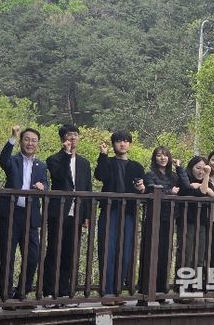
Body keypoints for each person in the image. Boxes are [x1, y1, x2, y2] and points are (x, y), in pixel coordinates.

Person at [0, 125, 48, 302]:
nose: (30, 143)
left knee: (33, 256)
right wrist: (12, 137)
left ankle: (22, 292)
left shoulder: (41, 165)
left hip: (30, 216)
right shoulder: (13, 161)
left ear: (38, 144)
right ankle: (6, 294)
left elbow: (46, 184)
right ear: (21, 142)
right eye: (26, 139)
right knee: (7, 256)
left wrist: (43, 186)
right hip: (11, 214)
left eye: (34, 141)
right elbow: (3, 160)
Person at [95, 130, 145, 304]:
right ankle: (107, 292)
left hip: (129, 212)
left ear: (130, 144)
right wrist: (103, 155)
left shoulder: (137, 166)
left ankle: (117, 291)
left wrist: (141, 189)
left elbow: (142, 189)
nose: (122, 144)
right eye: (118, 141)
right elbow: (100, 175)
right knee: (107, 249)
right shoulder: (108, 162)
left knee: (125, 251)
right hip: (110, 211)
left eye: (125, 141)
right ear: (113, 144)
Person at [43, 124, 92, 301]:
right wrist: (66, 154)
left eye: (75, 135)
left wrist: (87, 215)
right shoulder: (53, 159)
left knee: (71, 253)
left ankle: (64, 291)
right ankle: (49, 291)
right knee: (54, 250)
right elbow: (58, 176)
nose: (72, 138)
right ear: (62, 139)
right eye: (69, 135)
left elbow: (87, 189)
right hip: (58, 211)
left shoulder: (84, 163)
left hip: (77, 212)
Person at [139, 146, 189, 297]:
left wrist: (179, 167)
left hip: (169, 218)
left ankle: (161, 291)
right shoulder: (149, 174)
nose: (162, 158)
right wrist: (170, 193)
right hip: (153, 218)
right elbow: (152, 190)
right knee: (150, 253)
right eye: (159, 155)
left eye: (165, 155)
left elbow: (185, 186)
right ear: (154, 158)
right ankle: (146, 291)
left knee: (165, 255)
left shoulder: (173, 176)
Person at [176, 156, 214, 286]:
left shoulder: (206, 181)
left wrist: (202, 182)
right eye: (198, 168)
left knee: (200, 255)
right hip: (187, 221)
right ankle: (182, 287)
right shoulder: (185, 180)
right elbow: (200, 192)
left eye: (204, 169)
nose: (201, 171)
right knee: (186, 254)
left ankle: (196, 286)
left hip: (202, 223)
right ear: (191, 167)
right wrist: (203, 185)